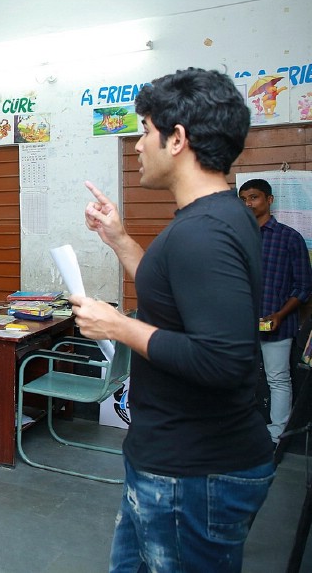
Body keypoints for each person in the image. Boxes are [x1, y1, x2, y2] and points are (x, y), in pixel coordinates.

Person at [69, 68, 275, 572]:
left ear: (177, 139)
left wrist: (117, 326)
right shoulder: (216, 219)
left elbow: (222, 359)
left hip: (195, 471)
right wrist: (118, 238)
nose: (137, 145)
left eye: (144, 131)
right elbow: (170, 295)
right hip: (171, 458)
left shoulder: (204, 233)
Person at [238, 178, 312, 443]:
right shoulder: (238, 237)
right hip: (239, 324)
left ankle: (278, 433)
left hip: (277, 323)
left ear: (269, 200)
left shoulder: (289, 238)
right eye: (244, 199)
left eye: (254, 197)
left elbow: (303, 286)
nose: (248, 203)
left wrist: (280, 314)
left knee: (278, 379)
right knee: (239, 377)